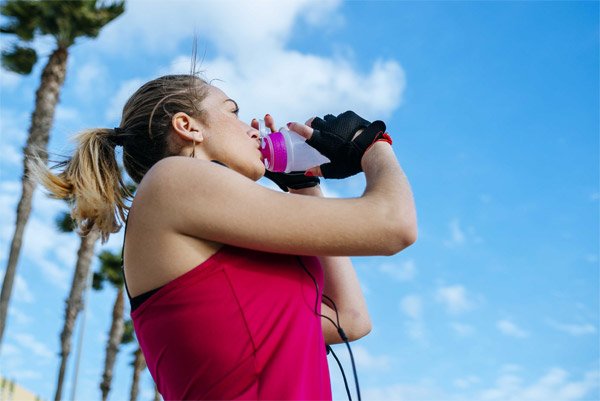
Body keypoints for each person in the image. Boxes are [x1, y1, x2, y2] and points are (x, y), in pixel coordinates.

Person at [31, 74, 417, 400]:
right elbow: (394, 225)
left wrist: (302, 184)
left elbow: (350, 320)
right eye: (232, 110)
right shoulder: (172, 179)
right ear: (188, 126)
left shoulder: (223, 236)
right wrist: (372, 144)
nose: (252, 127)